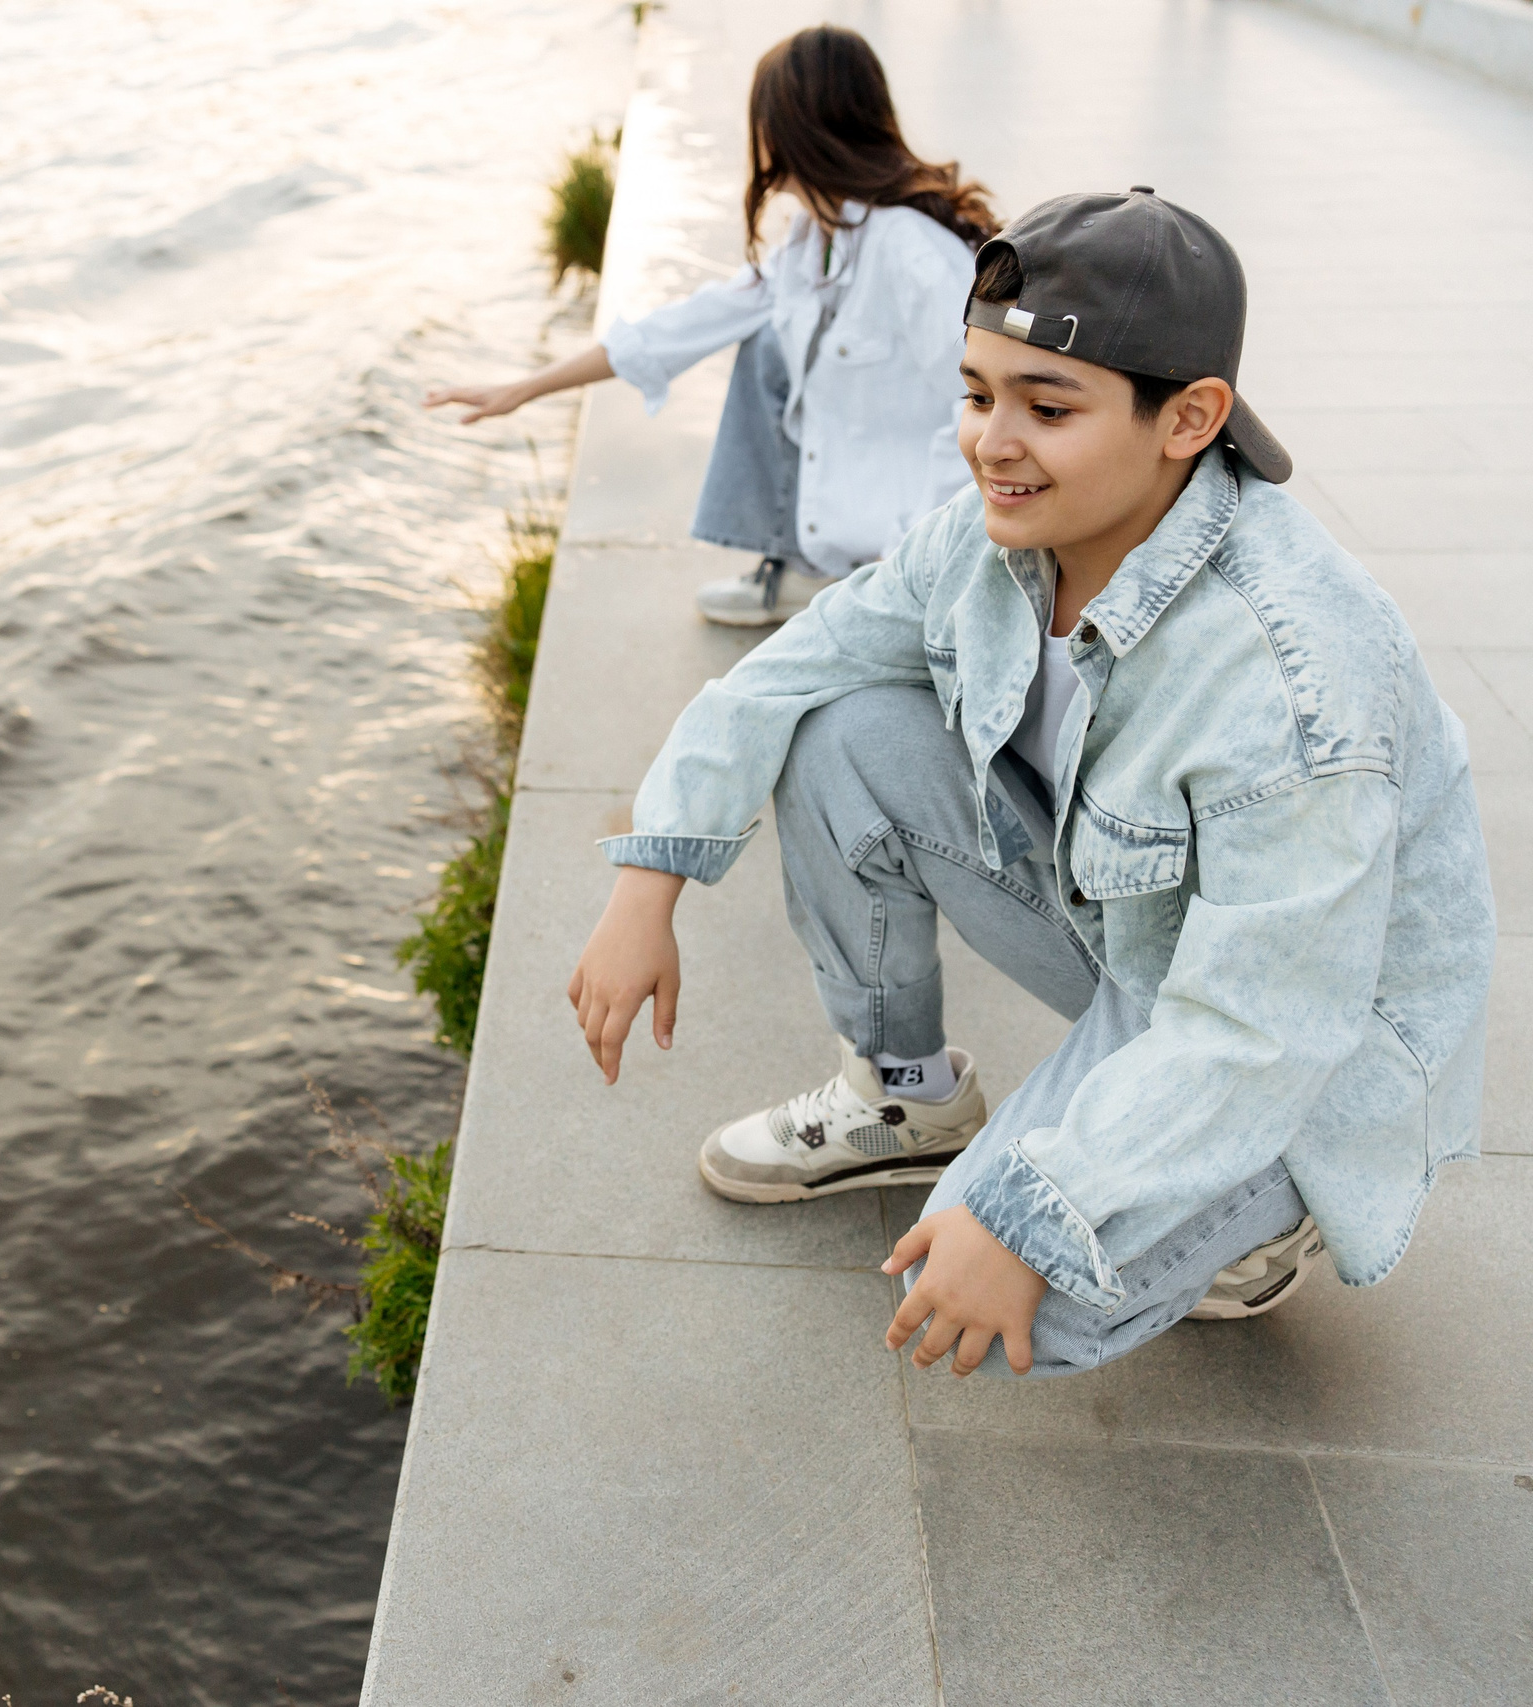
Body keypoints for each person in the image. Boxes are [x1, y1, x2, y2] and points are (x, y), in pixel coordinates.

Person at [563, 186, 1494, 1378]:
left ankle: (1266, 1205)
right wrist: (652, 873)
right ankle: (906, 1094)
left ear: (1189, 419)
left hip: (1295, 1051)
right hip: (1137, 944)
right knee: (842, 726)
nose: (990, 442)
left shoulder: (1294, 673)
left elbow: (1264, 1025)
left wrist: (1030, 1209)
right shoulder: (995, 531)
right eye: (975, 394)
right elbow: (793, 665)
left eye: (1045, 407)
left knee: (1023, 1295)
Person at [425, 25, 996, 628]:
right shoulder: (816, 237)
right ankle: (804, 567)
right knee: (765, 336)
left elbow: (981, 407)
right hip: (865, 537)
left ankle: (835, 577)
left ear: (795, 132)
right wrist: (524, 389)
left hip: (907, 552)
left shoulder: (914, 253)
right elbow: (687, 324)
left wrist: (907, 563)